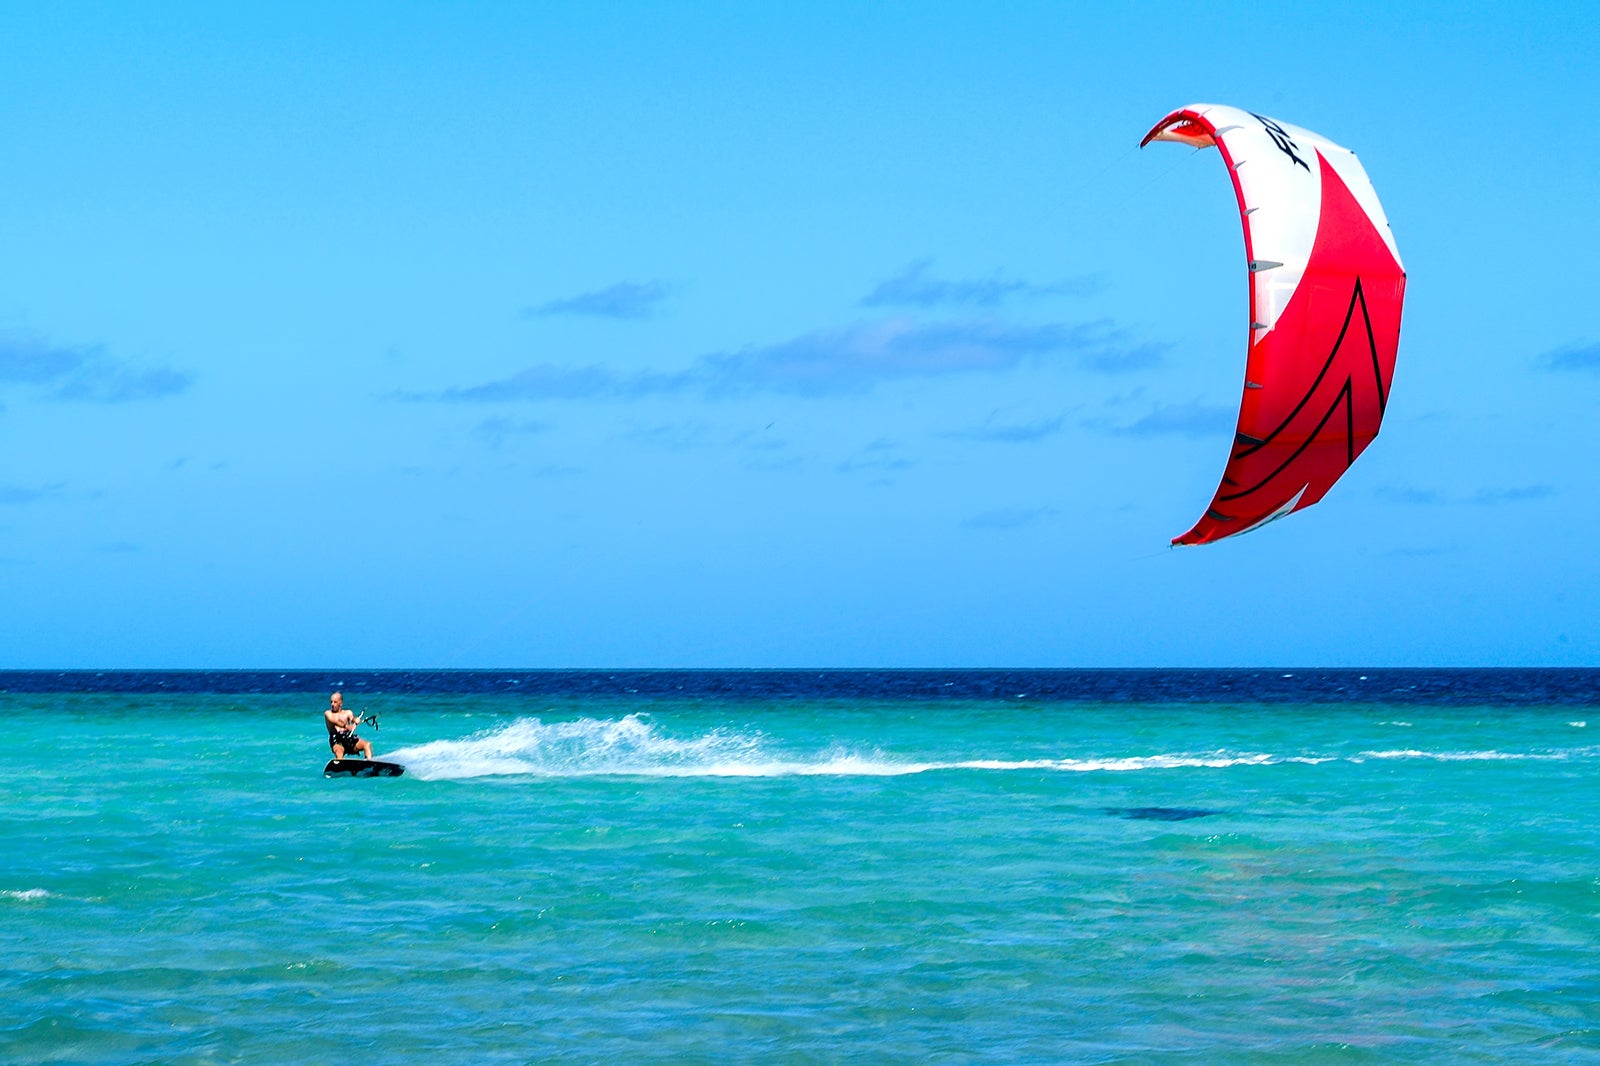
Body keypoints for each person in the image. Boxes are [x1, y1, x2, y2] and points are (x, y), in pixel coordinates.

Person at [324, 691, 375, 760]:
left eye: (335, 702)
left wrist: (355, 720)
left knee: (367, 744)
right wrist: (347, 726)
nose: (332, 704)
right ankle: (340, 768)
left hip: (348, 737)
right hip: (337, 740)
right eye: (331, 702)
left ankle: (369, 764)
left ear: (341, 703)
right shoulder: (328, 713)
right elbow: (335, 721)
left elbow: (352, 718)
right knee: (339, 752)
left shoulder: (348, 712)